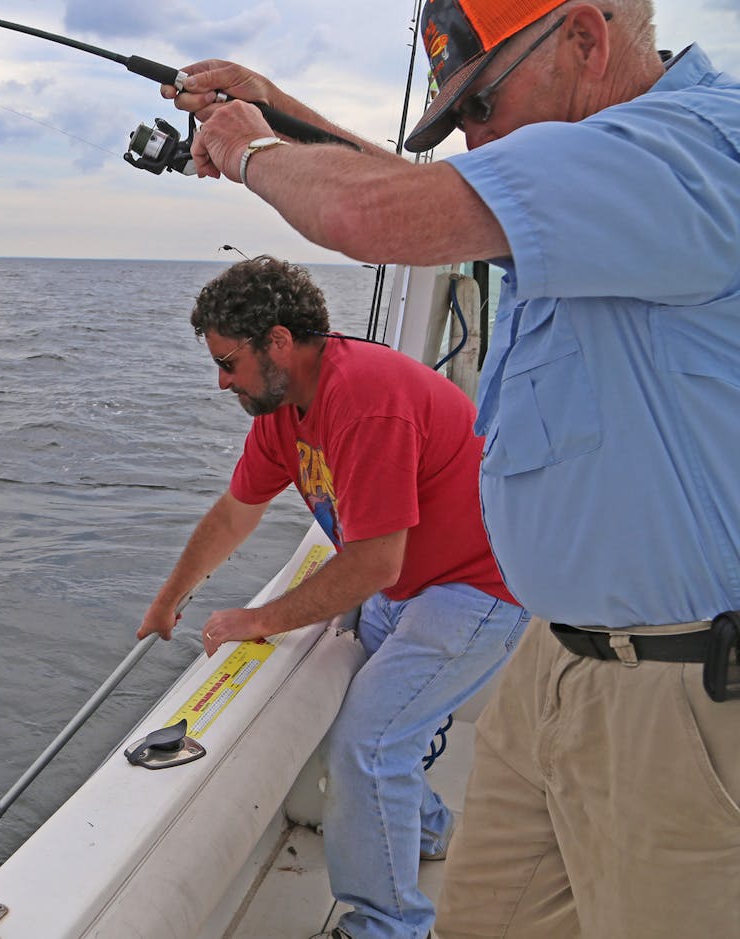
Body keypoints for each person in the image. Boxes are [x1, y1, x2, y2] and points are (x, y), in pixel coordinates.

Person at [160, 1, 740, 937]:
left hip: (679, 694)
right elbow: (427, 186)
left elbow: (374, 207)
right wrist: (278, 109)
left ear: (585, 40)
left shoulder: (689, 149)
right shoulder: (595, 181)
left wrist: (247, 151)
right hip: (558, 660)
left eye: (480, 103)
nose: (472, 137)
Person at [139, 256, 528, 939]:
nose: (221, 380)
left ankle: (389, 925)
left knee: (370, 741)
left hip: (479, 583)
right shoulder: (282, 411)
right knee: (368, 717)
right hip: (412, 582)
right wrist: (170, 597)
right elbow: (235, 512)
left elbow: (375, 561)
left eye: (229, 362)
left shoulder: (364, 398)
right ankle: (427, 829)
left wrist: (258, 618)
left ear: (279, 342)